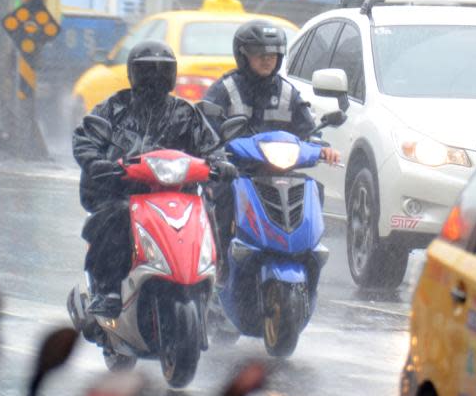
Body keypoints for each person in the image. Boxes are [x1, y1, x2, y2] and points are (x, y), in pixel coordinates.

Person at [72, 40, 218, 318]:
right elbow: (87, 138)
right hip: (122, 192)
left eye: (161, 71)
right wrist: (98, 162)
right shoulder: (113, 108)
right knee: (118, 214)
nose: (154, 78)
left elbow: (211, 145)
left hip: (176, 195)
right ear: (132, 74)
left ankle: (212, 281)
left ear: (172, 75)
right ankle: (108, 288)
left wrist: (220, 163)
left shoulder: (186, 113)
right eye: (146, 71)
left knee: (210, 212)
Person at [200, 19, 340, 283]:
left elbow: (308, 130)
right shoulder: (226, 89)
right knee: (222, 195)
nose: (267, 59)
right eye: (260, 53)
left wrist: (323, 148)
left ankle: (306, 253)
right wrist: (214, 150)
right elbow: (207, 127)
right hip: (239, 171)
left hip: (280, 171)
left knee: (314, 189)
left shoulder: (288, 92)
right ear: (243, 55)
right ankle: (220, 265)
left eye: (273, 54)